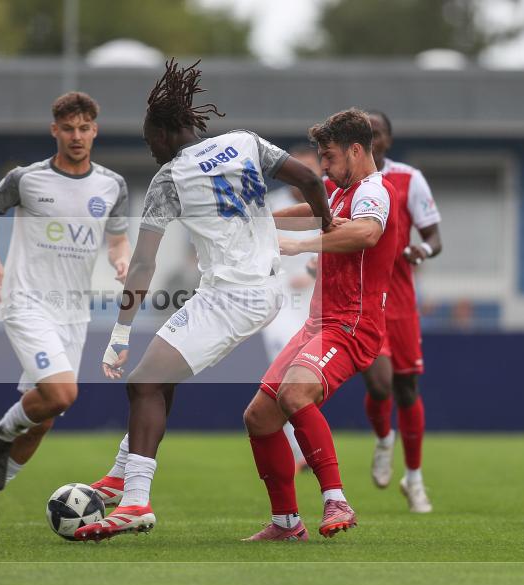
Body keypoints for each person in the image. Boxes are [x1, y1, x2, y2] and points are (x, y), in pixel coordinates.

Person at [74, 59, 330, 541]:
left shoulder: (169, 180)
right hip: (253, 288)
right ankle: (123, 473)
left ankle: (134, 502)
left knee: (144, 382)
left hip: (235, 297)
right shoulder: (245, 143)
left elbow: (144, 265)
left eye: (151, 140)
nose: (150, 150)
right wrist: (329, 225)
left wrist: (121, 333)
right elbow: (313, 182)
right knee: (157, 378)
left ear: (168, 133)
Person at [0, 91, 132, 530]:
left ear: (95, 130)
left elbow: (116, 236)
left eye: (84, 128)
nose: (77, 137)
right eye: (68, 129)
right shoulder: (27, 178)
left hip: (73, 312)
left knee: (44, 418)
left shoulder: (111, 185)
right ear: (54, 130)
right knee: (62, 395)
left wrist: (120, 259)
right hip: (26, 301)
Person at [242, 108, 400, 541]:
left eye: (329, 158)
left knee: (295, 394)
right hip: (319, 323)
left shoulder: (373, 191)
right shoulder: (338, 189)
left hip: (351, 325)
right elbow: (305, 208)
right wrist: (252, 222)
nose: (323, 168)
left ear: (355, 150)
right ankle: (287, 524)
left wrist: (299, 245)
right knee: (258, 416)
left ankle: (336, 499)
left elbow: (366, 234)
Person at [351, 110, 443, 513]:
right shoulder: (344, 180)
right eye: (366, 133)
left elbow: (434, 236)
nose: (373, 138)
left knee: (407, 389)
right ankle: (384, 438)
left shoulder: (409, 179)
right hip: (365, 298)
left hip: (402, 301)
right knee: (380, 385)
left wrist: (423, 249)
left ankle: (415, 479)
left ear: (388, 139)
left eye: (378, 132)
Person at [260, 145, 324, 472]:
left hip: (318, 305)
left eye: (314, 168)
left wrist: (316, 271)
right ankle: (300, 452)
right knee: (284, 375)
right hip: (281, 304)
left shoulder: (328, 202)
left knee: (307, 379)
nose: (310, 174)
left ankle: (304, 447)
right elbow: (257, 252)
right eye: (303, 168)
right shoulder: (274, 206)